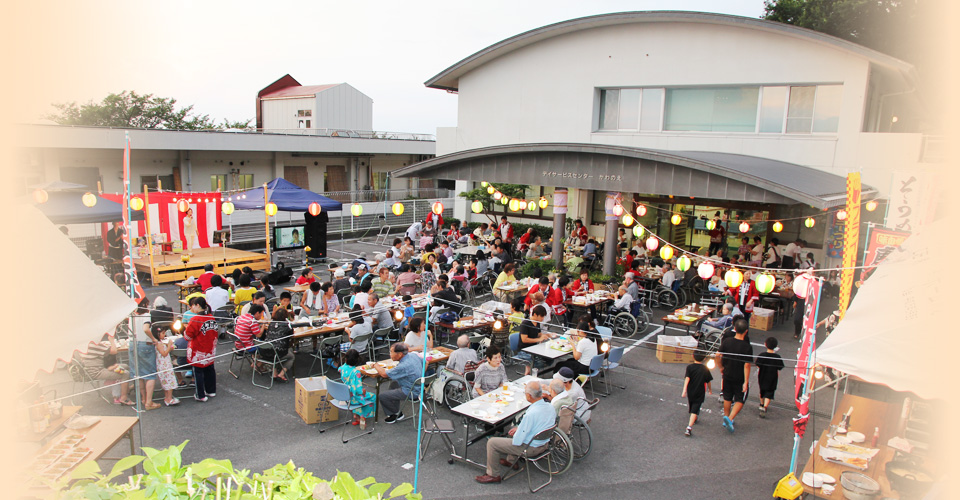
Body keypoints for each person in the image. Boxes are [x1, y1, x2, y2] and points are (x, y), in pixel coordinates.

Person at [475, 380, 556, 484]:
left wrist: (518, 430)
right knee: (512, 432)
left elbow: (518, 441)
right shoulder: (550, 407)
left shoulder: (530, 414)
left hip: (531, 448)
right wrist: (519, 429)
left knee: (492, 442)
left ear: (529, 396)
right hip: (544, 443)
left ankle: (493, 475)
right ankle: (511, 461)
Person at [716, 318, 754, 433]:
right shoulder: (747, 347)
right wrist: (746, 382)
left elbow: (717, 355)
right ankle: (730, 418)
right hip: (739, 377)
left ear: (735, 329)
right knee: (739, 399)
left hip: (727, 374)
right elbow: (747, 365)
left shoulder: (727, 341)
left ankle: (726, 418)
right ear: (746, 331)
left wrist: (721, 367)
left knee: (727, 396)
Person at [78, 335, 134, 406]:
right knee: (125, 373)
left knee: (125, 366)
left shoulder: (84, 345)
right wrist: (111, 340)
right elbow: (114, 351)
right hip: (97, 371)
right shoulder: (94, 345)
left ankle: (125, 389)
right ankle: (123, 398)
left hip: (91, 369)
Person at [374, 342, 421, 423]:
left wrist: (375, 365)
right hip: (419, 386)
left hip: (410, 390)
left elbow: (384, 374)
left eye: (391, 352)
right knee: (394, 384)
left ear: (399, 354)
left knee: (382, 396)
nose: (390, 354)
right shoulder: (413, 355)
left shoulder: (403, 366)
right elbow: (426, 362)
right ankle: (394, 407)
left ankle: (396, 413)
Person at [183, 297, 218, 401]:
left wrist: (185, 330)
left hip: (198, 350)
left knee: (198, 372)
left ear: (197, 305)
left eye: (193, 305)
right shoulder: (211, 317)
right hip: (210, 349)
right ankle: (211, 391)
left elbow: (187, 337)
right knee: (210, 369)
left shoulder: (195, 319)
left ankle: (200, 395)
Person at [130, 298, 161, 411]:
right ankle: (149, 402)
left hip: (132, 344)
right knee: (150, 374)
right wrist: (154, 339)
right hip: (145, 344)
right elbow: (146, 329)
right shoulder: (146, 315)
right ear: (146, 304)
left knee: (139, 374)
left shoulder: (131, 315)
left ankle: (143, 399)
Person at [339, 349, 376, 429]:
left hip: (345, 396)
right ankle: (362, 416)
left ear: (345, 359)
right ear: (357, 360)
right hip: (353, 397)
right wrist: (363, 391)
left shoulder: (342, 368)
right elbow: (358, 390)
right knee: (372, 396)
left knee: (360, 398)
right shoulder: (356, 373)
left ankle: (356, 414)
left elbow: (339, 369)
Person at [681, 352, 713, 436]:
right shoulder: (705, 368)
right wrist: (710, 390)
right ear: (704, 359)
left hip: (690, 391)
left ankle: (693, 418)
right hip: (700, 391)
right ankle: (689, 427)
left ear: (693, 356)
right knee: (695, 408)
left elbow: (687, 379)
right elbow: (708, 381)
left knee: (692, 405)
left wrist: (684, 390)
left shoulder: (690, 367)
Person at [517, 305, 554, 376]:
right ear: (535, 314)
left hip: (534, 349)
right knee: (538, 362)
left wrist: (546, 335)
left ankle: (531, 371)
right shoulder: (525, 323)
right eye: (541, 316)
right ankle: (530, 372)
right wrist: (539, 339)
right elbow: (524, 339)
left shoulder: (537, 323)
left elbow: (538, 333)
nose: (543, 318)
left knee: (550, 359)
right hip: (524, 350)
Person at [261, 308, 295, 382]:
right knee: (291, 356)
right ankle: (281, 374)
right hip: (277, 353)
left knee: (274, 348)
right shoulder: (287, 325)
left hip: (264, 351)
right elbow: (291, 336)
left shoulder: (271, 324)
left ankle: (274, 373)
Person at [755, 337, 784, 418]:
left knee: (762, 391)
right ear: (776, 346)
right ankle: (765, 407)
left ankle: (761, 404)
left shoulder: (762, 355)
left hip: (762, 376)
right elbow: (780, 367)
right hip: (773, 377)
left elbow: (758, 365)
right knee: (769, 392)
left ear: (765, 344)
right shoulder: (777, 357)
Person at [154, 328, 181, 407]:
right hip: (164, 365)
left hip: (165, 364)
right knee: (169, 381)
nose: (164, 335)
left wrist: (169, 347)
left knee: (166, 381)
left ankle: (167, 397)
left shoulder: (160, 343)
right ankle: (169, 399)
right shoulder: (159, 344)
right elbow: (164, 353)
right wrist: (169, 346)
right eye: (162, 333)